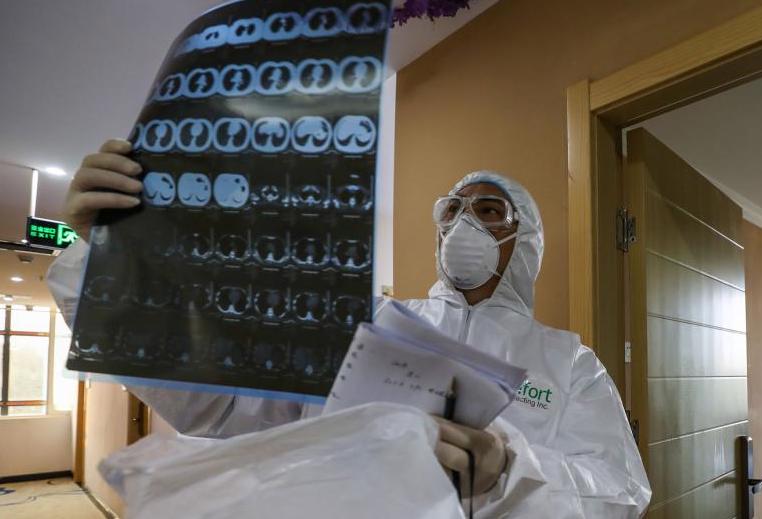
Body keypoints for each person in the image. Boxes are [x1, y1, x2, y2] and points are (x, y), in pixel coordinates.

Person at [47, 139, 651, 518]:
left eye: (488, 211)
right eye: (453, 211)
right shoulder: (376, 328)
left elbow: (621, 493)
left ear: (526, 239)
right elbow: (223, 400)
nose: (464, 223)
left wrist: (514, 472)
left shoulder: (569, 363)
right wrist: (108, 260)